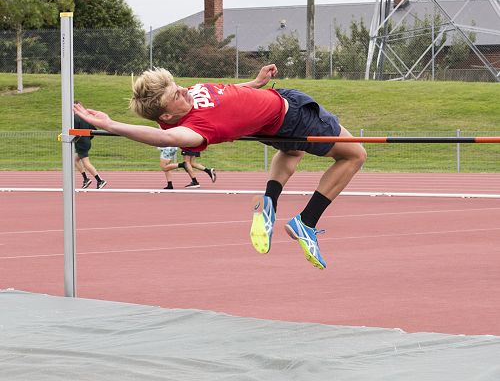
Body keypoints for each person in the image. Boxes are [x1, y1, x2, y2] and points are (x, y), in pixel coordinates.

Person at [73, 64, 366, 269]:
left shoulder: (188, 100)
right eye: (177, 95)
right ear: (167, 113)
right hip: (293, 116)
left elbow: (225, 94)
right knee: (354, 155)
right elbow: (163, 137)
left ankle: (269, 204)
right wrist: (111, 124)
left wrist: (254, 83)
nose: (186, 91)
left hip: (275, 108)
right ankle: (306, 222)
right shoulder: (195, 128)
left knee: (292, 152)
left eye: (180, 87)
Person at [73, 113, 107, 189]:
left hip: (81, 143)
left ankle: (100, 180)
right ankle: (86, 179)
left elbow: (73, 131)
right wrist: (88, 138)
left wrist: (77, 138)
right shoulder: (85, 117)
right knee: (74, 160)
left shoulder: (74, 118)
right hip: (86, 142)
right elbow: (94, 130)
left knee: (86, 163)